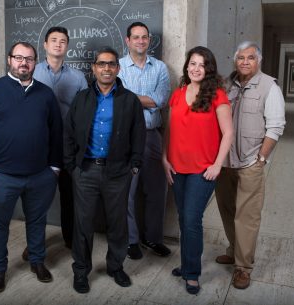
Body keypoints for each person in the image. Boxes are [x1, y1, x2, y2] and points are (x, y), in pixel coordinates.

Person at [0, 42, 63, 293]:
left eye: (29, 59)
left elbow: (57, 132)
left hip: (40, 175)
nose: (24, 63)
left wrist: (54, 167)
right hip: (2, 176)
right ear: (9, 60)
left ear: (36, 62)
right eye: (19, 58)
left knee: (37, 221)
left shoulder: (45, 94)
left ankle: (37, 261)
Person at [64, 46, 146, 293]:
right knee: (83, 224)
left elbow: (139, 135)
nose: (106, 68)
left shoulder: (130, 100)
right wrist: (72, 166)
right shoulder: (82, 98)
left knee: (117, 223)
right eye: (101, 64)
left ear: (117, 68)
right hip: (86, 171)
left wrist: (133, 166)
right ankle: (81, 271)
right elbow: (68, 133)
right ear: (94, 68)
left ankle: (115, 267)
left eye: (111, 64)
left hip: (117, 173)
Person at [162, 46, 233, 294]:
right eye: (192, 63)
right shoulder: (178, 94)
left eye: (201, 65)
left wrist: (217, 164)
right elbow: (169, 131)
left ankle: (191, 274)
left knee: (191, 220)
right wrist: (164, 159)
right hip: (177, 166)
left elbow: (228, 133)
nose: (196, 68)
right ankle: (186, 264)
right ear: (187, 66)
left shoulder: (218, 96)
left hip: (203, 170)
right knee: (183, 218)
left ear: (209, 69)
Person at [215, 41, 286, 289]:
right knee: (226, 209)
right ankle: (235, 251)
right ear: (235, 60)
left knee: (247, 216)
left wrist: (262, 158)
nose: (245, 62)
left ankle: (243, 267)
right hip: (224, 162)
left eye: (250, 58)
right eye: (241, 57)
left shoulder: (269, 87)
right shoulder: (225, 85)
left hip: (250, 162)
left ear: (259, 61)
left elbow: (276, 126)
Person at [20, 26, 87, 261]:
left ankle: (70, 238)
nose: (58, 44)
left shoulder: (78, 77)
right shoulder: (32, 73)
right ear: (45, 45)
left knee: (70, 195)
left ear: (67, 46)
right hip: (39, 144)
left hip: (68, 145)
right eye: (54, 40)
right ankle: (34, 243)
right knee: (37, 197)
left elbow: (84, 112)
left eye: (63, 41)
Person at [118, 22, 171, 260]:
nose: (141, 41)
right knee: (127, 192)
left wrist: (130, 98)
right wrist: (142, 100)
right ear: (127, 41)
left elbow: (161, 100)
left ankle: (153, 238)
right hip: (125, 138)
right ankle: (130, 241)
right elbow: (117, 99)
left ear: (149, 41)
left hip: (152, 136)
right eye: (136, 37)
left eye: (145, 37)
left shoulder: (160, 68)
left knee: (157, 190)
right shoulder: (116, 66)